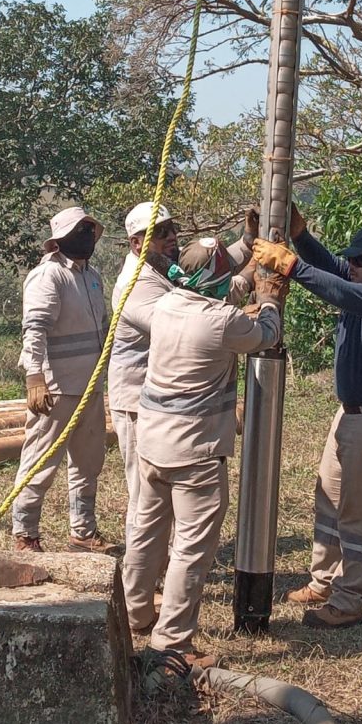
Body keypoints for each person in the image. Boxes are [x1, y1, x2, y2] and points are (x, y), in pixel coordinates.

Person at [123, 237, 284, 667]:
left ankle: (135, 613)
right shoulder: (223, 321)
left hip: (153, 443)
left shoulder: (166, 305)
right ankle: (172, 643)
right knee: (190, 548)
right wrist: (269, 299)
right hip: (194, 452)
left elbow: (220, 297)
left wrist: (247, 273)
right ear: (214, 277)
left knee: (147, 532)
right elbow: (267, 334)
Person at [252, 206, 362, 629]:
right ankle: (323, 582)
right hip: (352, 415)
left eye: (361, 260)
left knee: (358, 516)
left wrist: (291, 265)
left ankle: (349, 600)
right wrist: (301, 237)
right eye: (352, 259)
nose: (352, 265)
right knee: (328, 499)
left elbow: (338, 289)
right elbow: (333, 269)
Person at [108, 202, 257, 546]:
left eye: (172, 228)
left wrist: (248, 241)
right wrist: (241, 305)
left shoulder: (163, 268)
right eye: (160, 233)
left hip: (167, 401)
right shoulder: (136, 284)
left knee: (165, 500)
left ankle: (165, 563)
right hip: (138, 402)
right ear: (136, 243)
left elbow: (208, 270)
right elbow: (191, 318)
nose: (171, 236)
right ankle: (148, 567)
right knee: (146, 499)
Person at [11, 206, 110, 554]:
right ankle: (25, 533)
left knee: (88, 463)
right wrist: (35, 378)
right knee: (40, 461)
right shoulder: (48, 276)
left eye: (89, 229)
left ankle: (83, 531)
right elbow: (35, 329)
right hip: (56, 388)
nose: (87, 236)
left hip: (89, 386)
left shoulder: (92, 276)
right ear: (60, 239)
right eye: (79, 230)